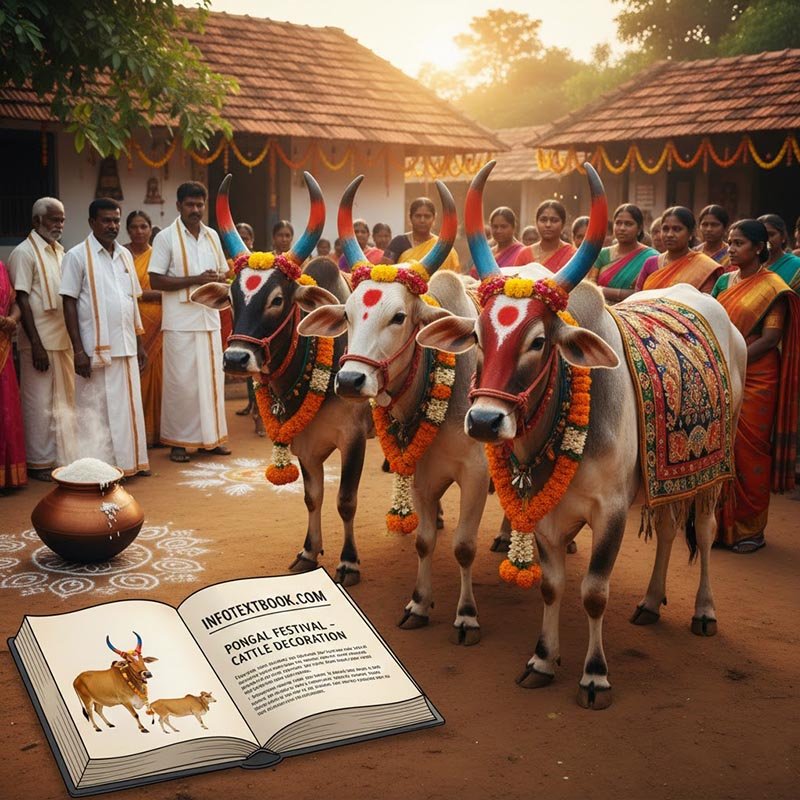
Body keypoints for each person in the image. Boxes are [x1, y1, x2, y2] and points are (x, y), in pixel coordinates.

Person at [711, 219, 800, 552]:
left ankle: (749, 529)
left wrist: (734, 359)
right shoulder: (722, 281)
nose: (731, 248)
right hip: (722, 369)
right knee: (720, 446)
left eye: (739, 243)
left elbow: (771, 337)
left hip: (757, 374)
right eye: (730, 243)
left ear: (759, 248)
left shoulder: (774, 287)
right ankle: (718, 526)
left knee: (749, 450)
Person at [60, 198, 149, 477]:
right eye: (106, 220)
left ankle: (130, 463)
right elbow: (69, 301)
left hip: (125, 345)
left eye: (115, 220)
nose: (112, 225)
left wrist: (140, 343)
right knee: (95, 410)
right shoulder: (76, 256)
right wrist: (77, 350)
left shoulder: (124, 254)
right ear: (91, 223)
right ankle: (97, 470)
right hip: (93, 348)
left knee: (128, 409)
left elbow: (131, 300)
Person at [149, 182, 230, 463]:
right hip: (180, 321)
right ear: (178, 206)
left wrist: (217, 280)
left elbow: (222, 273)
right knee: (181, 385)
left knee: (211, 382)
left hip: (209, 318)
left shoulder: (212, 236)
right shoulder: (166, 238)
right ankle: (179, 443)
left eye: (199, 205)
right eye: (190, 205)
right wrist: (197, 279)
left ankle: (212, 439)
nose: (195, 210)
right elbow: (155, 280)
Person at [7, 197, 75, 480]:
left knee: (64, 401)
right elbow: (21, 298)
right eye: (53, 220)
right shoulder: (24, 253)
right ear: (37, 221)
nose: (59, 225)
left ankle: (61, 457)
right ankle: (39, 462)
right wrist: (34, 343)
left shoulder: (60, 251)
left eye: (61, 220)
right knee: (38, 403)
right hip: (38, 342)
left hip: (62, 338)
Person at [125, 210, 162, 448]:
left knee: (157, 377)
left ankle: (157, 433)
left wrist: (139, 294)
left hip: (158, 325)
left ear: (150, 228)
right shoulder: (120, 254)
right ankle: (136, 433)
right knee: (134, 377)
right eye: (134, 227)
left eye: (143, 226)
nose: (139, 231)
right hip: (130, 322)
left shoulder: (158, 255)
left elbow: (168, 288)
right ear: (127, 230)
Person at [635, 207, 723, 293]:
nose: (669, 234)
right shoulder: (650, 263)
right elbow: (636, 298)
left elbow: (706, 304)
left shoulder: (704, 267)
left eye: (677, 229)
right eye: (665, 229)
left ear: (691, 233)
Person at [587, 204, 658, 304]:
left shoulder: (652, 257)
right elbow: (590, 287)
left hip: (634, 313)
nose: (622, 228)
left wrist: (604, 291)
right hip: (600, 311)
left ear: (639, 229)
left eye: (628, 224)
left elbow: (647, 294)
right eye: (618, 223)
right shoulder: (602, 254)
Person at [0, 261, 27, 490]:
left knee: (6, 408)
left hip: (3, 346)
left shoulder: (2, 267)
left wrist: (12, 319)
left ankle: (8, 477)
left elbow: (15, 303)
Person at [382, 197, 461, 271]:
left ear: (434, 218)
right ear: (410, 217)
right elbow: (384, 272)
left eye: (427, 216)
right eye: (418, 216)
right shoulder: (398, 242)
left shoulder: (442, 246)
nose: (422, 220)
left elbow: (452, 278)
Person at [514, 200, 576, 270]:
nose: (548, 225)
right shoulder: (525, 254)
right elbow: (514, 279)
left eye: (554, 220)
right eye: (543, 220)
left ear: (563, 224)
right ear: (536, 223)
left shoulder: (571, 254)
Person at [758, 214, 800, 292]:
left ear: (783, 237)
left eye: (771, 234)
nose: (766, 240)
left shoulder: (797, 266)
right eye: (761, 235)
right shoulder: (748, 266)